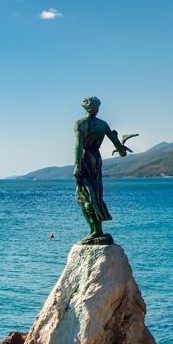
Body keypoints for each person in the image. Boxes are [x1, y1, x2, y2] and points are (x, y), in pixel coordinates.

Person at [74, 97, 133, 244]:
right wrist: (121, 145)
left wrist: (77, 166)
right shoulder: (103, 125)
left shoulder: (80, 124)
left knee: (83, 197)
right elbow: (121, 151)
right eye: (97, 107)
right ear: (94, 108)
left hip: (86, 160)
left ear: (86, 108)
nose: (96, 109)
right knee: (95, 194)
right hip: (97, 160)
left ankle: (95, 231)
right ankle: (96, 230)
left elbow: (78, 146)